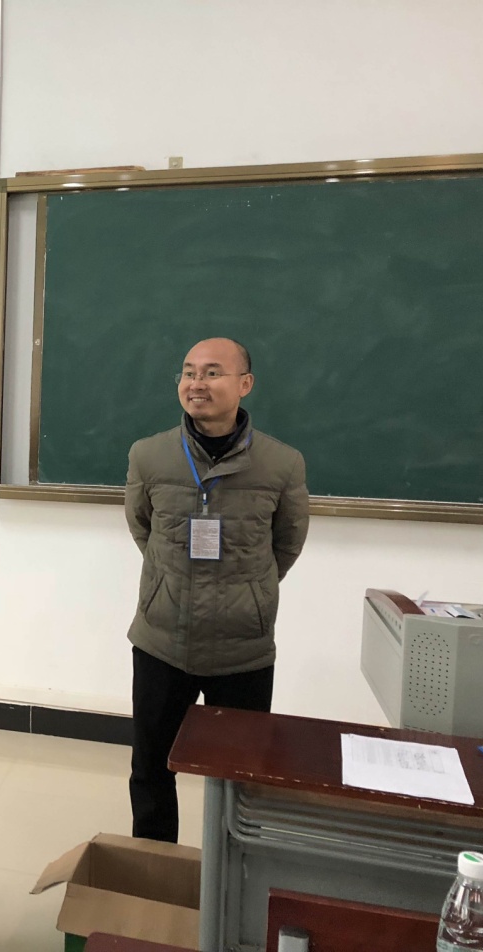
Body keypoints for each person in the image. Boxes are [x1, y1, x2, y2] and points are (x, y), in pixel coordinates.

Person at [125, 337, 309, 843]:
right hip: (162, 640)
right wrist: (169, 584)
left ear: (245, 384)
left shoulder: (281, 463)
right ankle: (156, 868)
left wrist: (247, 592)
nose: (196, 384)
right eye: (188, 372)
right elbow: (143, 529)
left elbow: (287, 544)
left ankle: (233, 874)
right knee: (151, 769)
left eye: (211, 372)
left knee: (241, 775)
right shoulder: (149, 455)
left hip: (242, 648)